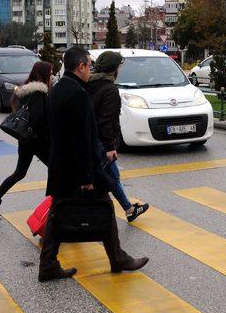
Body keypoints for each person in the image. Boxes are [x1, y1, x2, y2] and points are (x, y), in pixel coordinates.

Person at [38, 47, 148, 282]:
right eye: (89, 65)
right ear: (81, 66)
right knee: (105, 207)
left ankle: (48, 264)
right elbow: (81, 138)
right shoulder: (77, 93)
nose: (90, 69)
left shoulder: (57, 89)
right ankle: (117, 259)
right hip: (78, 169)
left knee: (58, 213)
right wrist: (87, 178)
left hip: (62, 166)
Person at [0, 61, 53, 217]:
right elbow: (38, 120)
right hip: (37, 141)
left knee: (19, 173)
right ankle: (55, 208)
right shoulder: (39, 93)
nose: (52, 76)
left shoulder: (25, 90)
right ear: (44, 74)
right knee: (56, 170)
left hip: (25, 139)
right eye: (50, 73)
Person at [86, 51, 149, 222]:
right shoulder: (110, 89)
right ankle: (120, 211)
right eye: (119, 66)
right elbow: (106, 121)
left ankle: (128, 208)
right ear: (114, 69)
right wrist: (109, 147)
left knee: (112, 177)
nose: (120, 69)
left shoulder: (88, 84)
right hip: (102, 143)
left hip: (89, 140)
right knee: (108, 179)